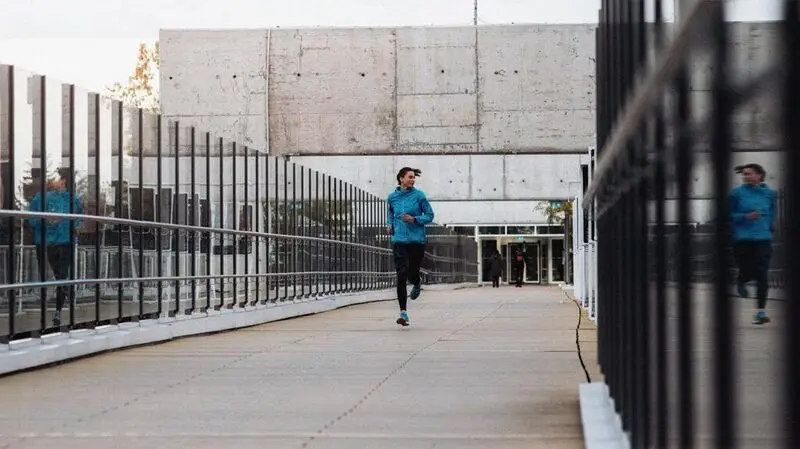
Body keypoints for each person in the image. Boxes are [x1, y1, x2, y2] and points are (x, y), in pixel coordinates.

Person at [29, 173, 83, 327]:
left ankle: (58, 311)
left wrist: (77, 227)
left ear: (64, 181)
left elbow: (79, 215)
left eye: (56, 178)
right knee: (56, 274)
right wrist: (46, 221)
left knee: (62, 275)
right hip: (49, 243)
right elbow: (31, 219)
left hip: (66, 242)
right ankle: (54, 305)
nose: (53, 181)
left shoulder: (74, 199)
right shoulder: (41, 198)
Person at [729, 163, 777, 325]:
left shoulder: (770, 194)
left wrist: (771, 226)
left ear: (759, 175)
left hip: (763, 239)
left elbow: (772, 213)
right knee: (748, 272)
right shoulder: (736, 194)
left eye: (749, 174)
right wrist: (745, 217)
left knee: (763, 274)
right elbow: (727, 215)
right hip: (743, 239)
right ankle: (741, 280)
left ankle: (760, 312)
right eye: (744, 174)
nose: (745, 177)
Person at [386, 167, 434, 327]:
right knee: (401, 273)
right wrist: (389, 225)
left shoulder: (419, 196)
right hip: (399, 240)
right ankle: (403, 313)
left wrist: (415, 219)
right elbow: (391, 214)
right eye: (410, 177)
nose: (413, 180)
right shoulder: (392, 197)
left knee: (412, 273)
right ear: (401, 178)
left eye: (414, 177)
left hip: (416, 241)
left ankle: (417, 281)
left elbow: (429, 215)